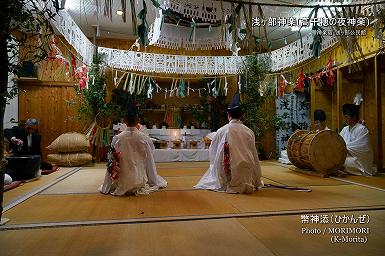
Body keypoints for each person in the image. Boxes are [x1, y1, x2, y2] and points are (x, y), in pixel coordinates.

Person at [194, 92, 263, 193]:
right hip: (246, 173)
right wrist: (257, 179)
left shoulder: (222, 130)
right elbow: (254, 155)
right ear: (242, 115)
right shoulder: (249, 131)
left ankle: (228, 181)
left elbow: (213, 151)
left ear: (228, 115)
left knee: (220, 162)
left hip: (227, 171)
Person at [99, 104, 167, 196]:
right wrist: (153, 178)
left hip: (122, 180)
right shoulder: (144, 138)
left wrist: (107, 184)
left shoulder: (117, 138)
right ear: (138, 121)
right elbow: (150, 157)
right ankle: (138, 181)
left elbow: (112, 161)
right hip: (139, 179)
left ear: (124, 121)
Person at [340, 104, 376, 176]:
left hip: (358, 161)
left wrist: (343, 147)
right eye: (345, 117)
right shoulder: (345, 129)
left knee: (342, 163)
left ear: (354, 116)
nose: (345, 119)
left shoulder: (362, 129)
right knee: (335, 161)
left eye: (347, 117)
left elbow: (361, 148)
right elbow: (338, 142)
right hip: (346, 156)